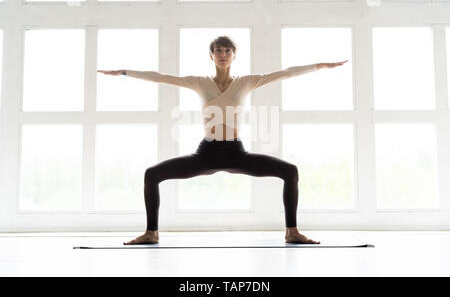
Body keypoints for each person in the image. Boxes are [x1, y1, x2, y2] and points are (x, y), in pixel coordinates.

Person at [98, 36, 347, 245]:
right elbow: (160, 77)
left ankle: (292, 232)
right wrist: (123, 72)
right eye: (218, 50)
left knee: (289, 171)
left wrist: (321, 66)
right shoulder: (200, 83)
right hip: (206, 153)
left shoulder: (246, 82)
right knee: (152, 174)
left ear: (234, 55)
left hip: (236, 152)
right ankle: (151, 233)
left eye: (228, 50)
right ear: (211, 55)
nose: (223, 54)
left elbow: (286, 74)